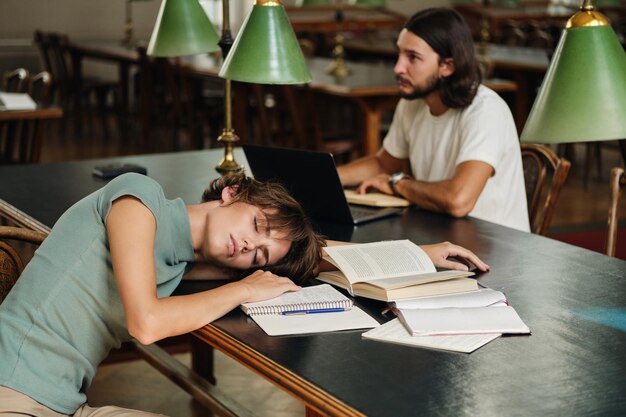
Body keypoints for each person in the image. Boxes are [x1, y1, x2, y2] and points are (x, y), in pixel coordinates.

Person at [0, 172, 487, 416]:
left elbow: (309, 253)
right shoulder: (135, 198)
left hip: (61, 404)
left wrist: (413, 253)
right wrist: (246, 285)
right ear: (232, 192)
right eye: (257, 225)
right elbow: (146, 323)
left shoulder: (179, 262)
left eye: (258, 255)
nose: (250, 246)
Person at [338, 7, 530, 232]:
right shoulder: (412, 103)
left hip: (498, 250)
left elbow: (458, 200)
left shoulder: (486, 110)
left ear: (447, 66)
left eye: (413, 57)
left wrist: (397, 184)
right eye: (399, 53)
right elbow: (383, 163)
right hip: (440, 235)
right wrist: (325, 178)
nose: (398, 67)